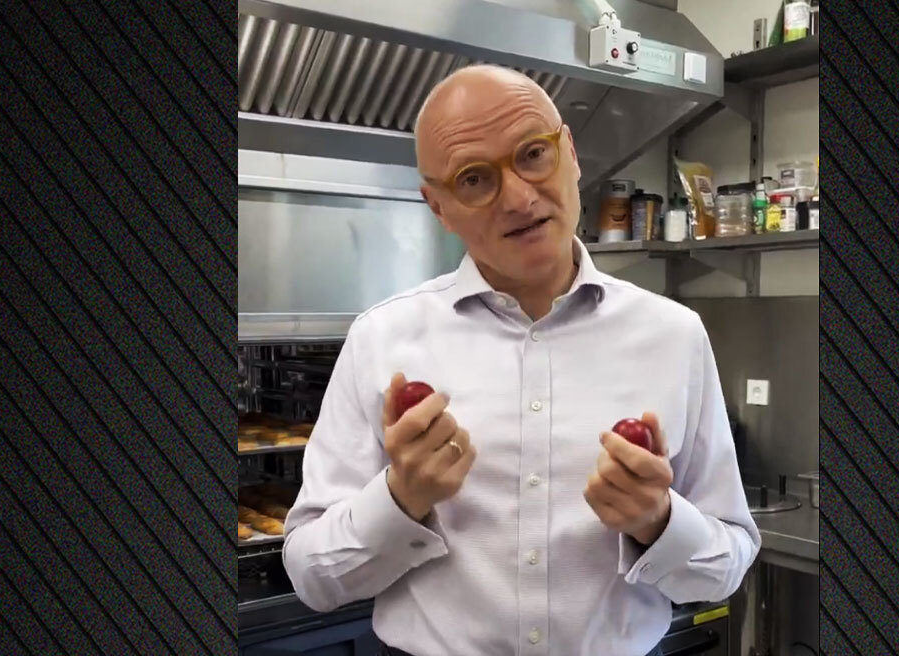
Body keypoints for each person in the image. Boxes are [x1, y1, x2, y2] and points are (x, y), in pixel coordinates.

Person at [282, 64, 760, 656]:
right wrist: (401, 497)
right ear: (438, 207)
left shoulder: (675, 336)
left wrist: (657, 522)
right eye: (474, 178)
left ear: (571, 154)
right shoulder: (381, 338)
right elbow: (311, 576)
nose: (519, 197)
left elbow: (727, 565)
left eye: (534, 154)